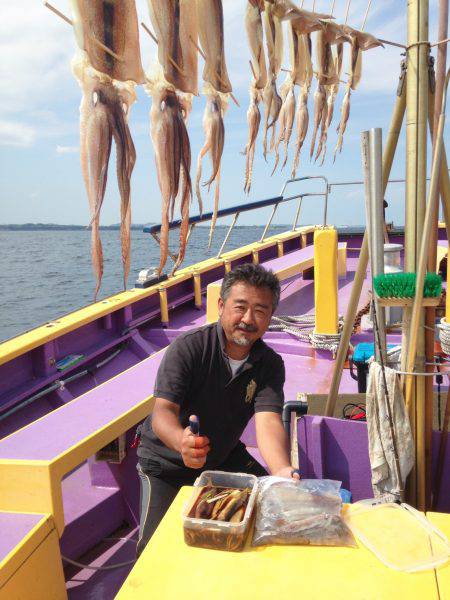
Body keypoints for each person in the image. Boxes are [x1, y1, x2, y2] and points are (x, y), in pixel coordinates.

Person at [135, 263, 298, 556]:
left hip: (221, 456)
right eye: (240, 307)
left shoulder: (270, 363)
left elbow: (269, 420)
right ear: (221, 306)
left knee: (270, 514)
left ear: (270, 316)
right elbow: (163, 412)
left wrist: (282, 470)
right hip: (166, 463)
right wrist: (181, 442)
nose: (248, 319)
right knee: (154, 549)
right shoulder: (189, 348)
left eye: (260, 310)